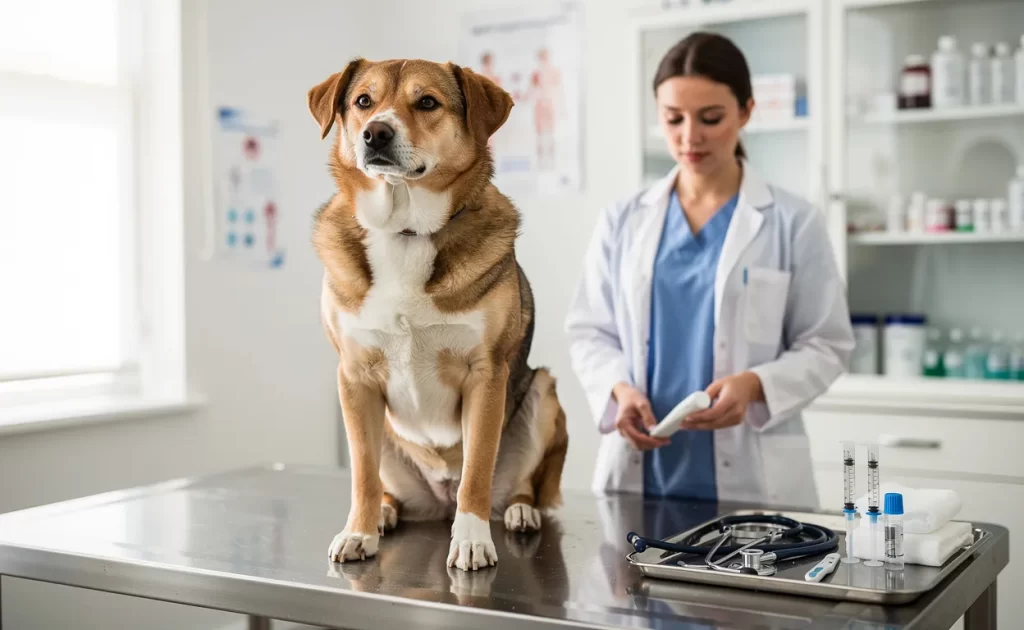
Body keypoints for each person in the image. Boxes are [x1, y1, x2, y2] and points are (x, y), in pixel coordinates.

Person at [565, 32, 855, 510]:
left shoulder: (792, 220)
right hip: (641, 473)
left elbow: (827, 342)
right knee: (631, 581)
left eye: (711, 118)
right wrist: (617, 389)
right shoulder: (623, 219)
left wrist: (755, 385)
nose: (689, 137)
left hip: (751, 477)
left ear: (746, 111)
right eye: (673, 118)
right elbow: (589, 331)